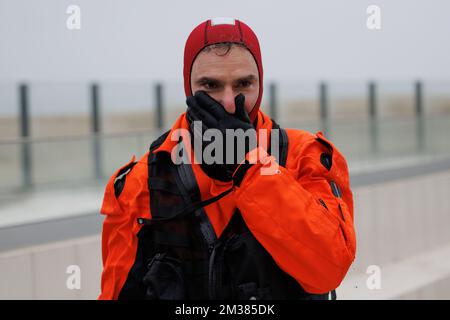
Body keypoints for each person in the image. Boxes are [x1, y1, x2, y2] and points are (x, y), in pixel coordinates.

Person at [98, 17, 356, 300]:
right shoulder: (140, 182)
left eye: (244, 83)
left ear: (260, 82)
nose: (229, 102)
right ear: (188, 86)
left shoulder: (304, 156)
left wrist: (249, 165)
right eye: (210, 85)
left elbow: (328, 270)